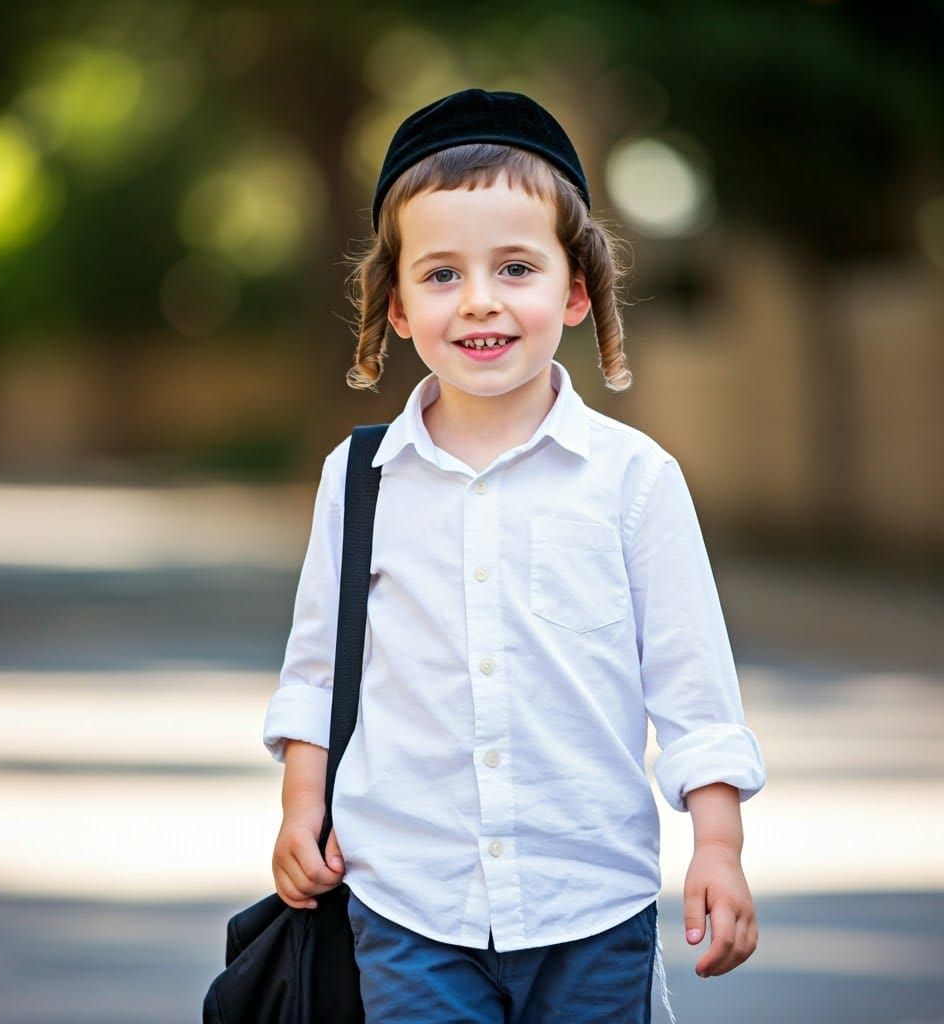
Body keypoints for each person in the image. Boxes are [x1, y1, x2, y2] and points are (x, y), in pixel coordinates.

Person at [262, 88, 766, 1023]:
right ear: (398, 306)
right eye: (442, 274)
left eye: (516, 268)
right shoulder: (361, 477)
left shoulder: (633, 478)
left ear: (575, 291)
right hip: (408, 897)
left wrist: (718, 847)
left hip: (592, 905)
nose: (481, 299)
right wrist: (301, 806)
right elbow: (316, 664)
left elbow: (695, 689)